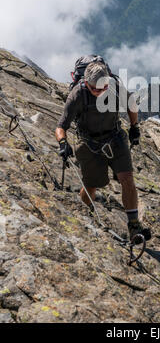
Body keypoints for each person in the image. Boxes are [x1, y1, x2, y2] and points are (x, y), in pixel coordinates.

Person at [55, 61, 151, 243]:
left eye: (103, 88)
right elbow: (61, 126)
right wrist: (62, 142)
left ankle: (134, 226)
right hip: (89, 144)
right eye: (95, 89)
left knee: (127, 179)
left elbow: (131, 105)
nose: (99, 92)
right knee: (91, 185)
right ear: (86, 83)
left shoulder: (115, 88)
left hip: (115, 138)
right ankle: (85, 214)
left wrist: (134, 127)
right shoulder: (77, 95)